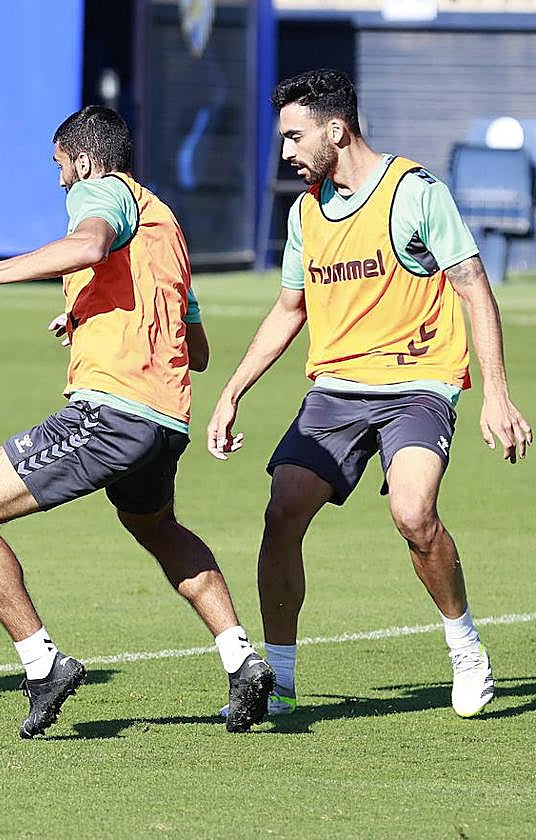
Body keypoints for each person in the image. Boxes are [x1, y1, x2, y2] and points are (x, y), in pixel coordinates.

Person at [0, 106, 273, 739]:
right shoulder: (165, 224)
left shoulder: (100, 189)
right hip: (164, 420)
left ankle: (42, 665)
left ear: (82, 159)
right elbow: (195, 350)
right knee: (159, 528)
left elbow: (86, 243)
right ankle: (241, 658)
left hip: (110, 412)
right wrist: (89, 312)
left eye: (59, 166)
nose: (60, 181)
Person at [206, 69, 532, 720]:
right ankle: (285, 683)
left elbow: (473, 287)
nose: (286, 152)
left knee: (413, 514)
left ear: (337, 128)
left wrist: (496, 393)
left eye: (295, 137)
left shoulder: (415, 192)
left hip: (417, 384)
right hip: (337, 390)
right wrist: (232, 390)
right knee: (282, 512)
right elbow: (289, 308)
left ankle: (464, 646)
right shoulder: (306, 211)